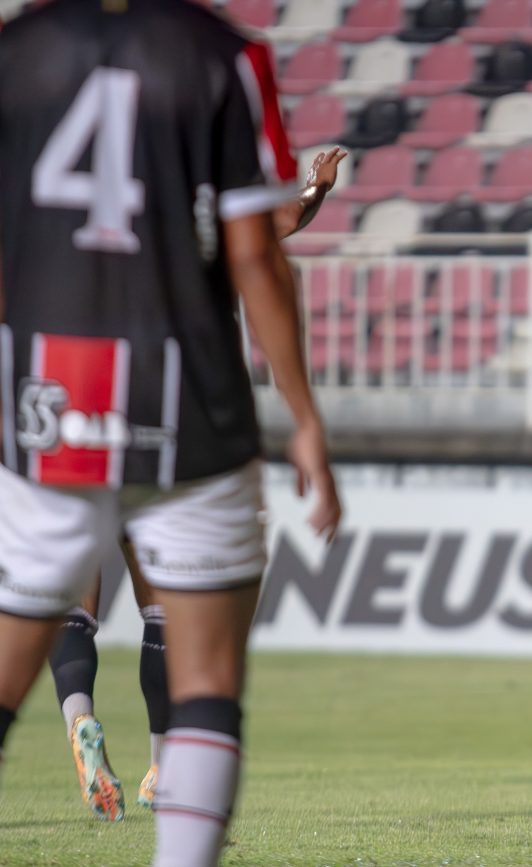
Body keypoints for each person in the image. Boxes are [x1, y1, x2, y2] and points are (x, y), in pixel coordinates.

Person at [0, 2, 342, 865]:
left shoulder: (20, 51)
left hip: (53, 391)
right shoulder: (223, 56)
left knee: (26, 630)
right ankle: (167, 789)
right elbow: (255, 252)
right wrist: (302, 416)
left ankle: (79, 720)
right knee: (200, 670)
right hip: (186, 392)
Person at [48, 146, 349, 823]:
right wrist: (315, 190)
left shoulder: (79, 231)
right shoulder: (198, 219)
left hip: (83, 415)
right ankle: (162, 763)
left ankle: (80, 717)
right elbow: (277, 229)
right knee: (163, 607)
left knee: (74, 600)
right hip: (168, 425)